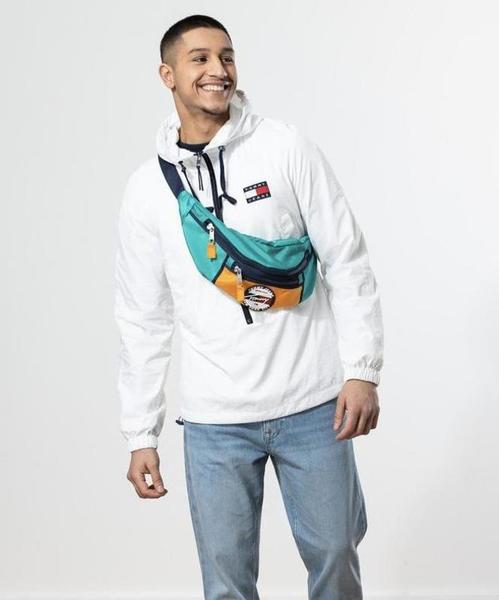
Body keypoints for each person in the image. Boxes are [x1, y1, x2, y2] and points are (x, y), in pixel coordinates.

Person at [114, 14, 384, 600]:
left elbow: (346, 259)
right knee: (226, 583)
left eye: (227, 57)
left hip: (314, 403)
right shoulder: (146, 191)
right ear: (167, 75)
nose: (218, 70)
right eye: (200, 59)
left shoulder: (285, 148)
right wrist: (140, 432)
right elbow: (143, 319)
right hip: (214, 420)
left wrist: (362, 370)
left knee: (336, 554)